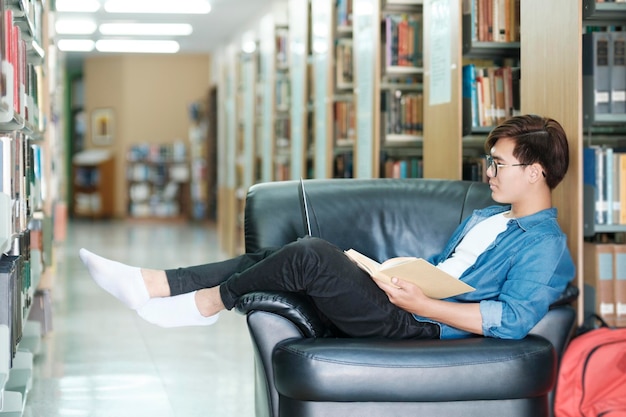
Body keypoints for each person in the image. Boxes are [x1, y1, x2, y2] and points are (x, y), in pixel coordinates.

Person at [80, 114, 575, 340]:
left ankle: (205, 305)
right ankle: (158, 283)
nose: (488, 173)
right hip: (405, 302)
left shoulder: (545, 245)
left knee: (311, 253)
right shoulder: (488, 216)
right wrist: (391, 276)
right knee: (284, 253)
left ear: (534, 173)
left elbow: (511, 320)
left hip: (420, 324)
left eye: (498, 163)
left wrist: (424, 303)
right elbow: (446, 268)